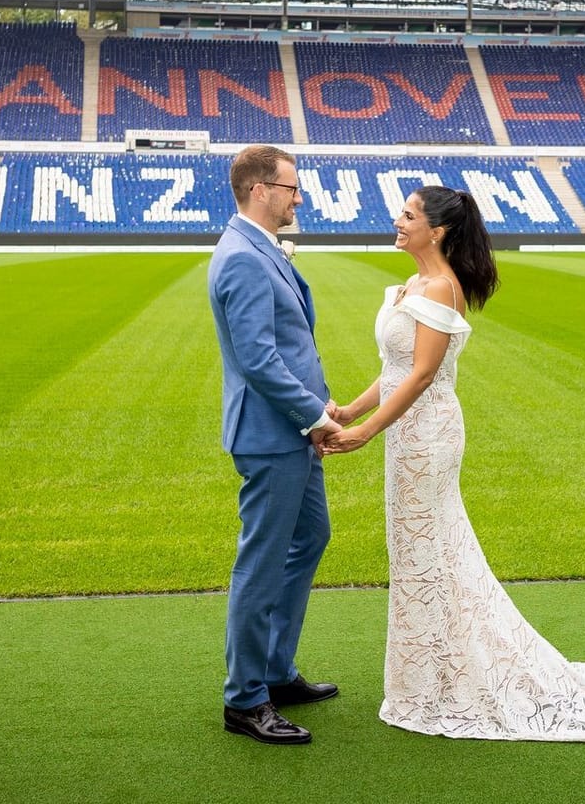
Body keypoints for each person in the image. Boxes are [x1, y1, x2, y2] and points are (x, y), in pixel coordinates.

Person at [320, 185, 585, 744]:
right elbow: (397, 368)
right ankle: (432, 674)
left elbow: (423, 375)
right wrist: (352, 407)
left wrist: (365, 431)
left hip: (426, 435)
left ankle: (447, 677)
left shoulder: (443, 289)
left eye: (408, 215)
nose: (397, 221)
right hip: (407, 433)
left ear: (437, 231)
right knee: (421, 552)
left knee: (432, 551)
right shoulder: (414, 286)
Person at [209, 145, 342, 746]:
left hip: (290, 428)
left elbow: (290, 345)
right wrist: (315, 416)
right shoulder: (242, 257)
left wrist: (319, 406)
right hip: (271, 434)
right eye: (292, 188)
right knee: (260, 564)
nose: (298, 197)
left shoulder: (260, 248)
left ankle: (274, 670)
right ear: (262, 189)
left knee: (311, 536)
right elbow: (259, 359)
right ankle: (245, 698)